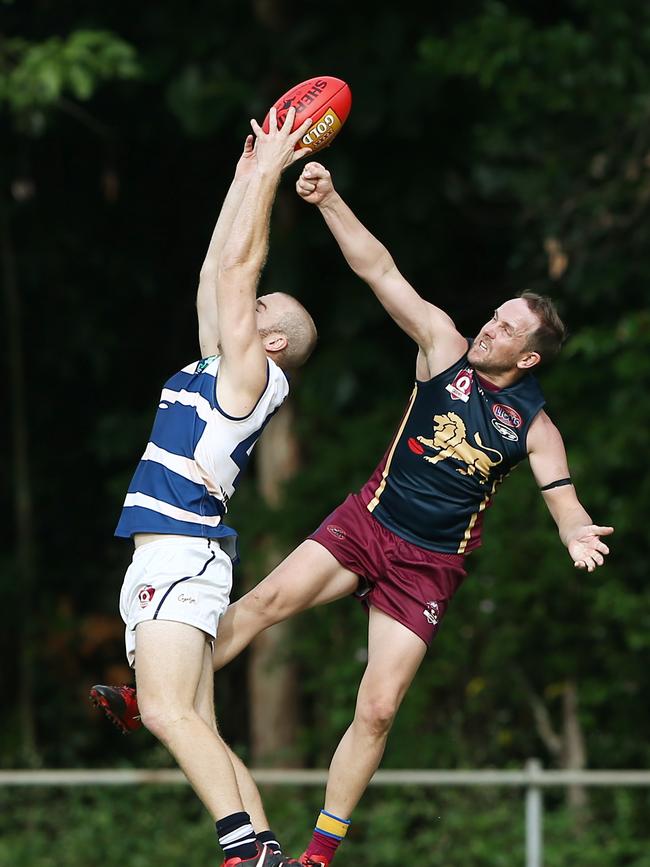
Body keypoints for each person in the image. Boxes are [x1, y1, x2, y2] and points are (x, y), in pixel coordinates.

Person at [92, 161, 613, 866]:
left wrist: (575, 527)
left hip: (429, 564)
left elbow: (562, 494)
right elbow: (381, 270)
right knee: (259, 603)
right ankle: (154, 695)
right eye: (494, 315)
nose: (490, 327)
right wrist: (331, 200)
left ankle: (317, 851)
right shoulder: (444, 348)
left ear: (528, 355)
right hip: (368, 520)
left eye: (506, 327)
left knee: (376, 709)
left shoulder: (535, 425)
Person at [94, 109, 318, 867]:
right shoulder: (214, 370)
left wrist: (273, 176)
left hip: (181, 555)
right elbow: (211, 271)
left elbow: (234, 272)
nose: (238, 311)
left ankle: (241, 850)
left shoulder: (249, 375)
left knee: (161, 710)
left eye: (255, 313)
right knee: (197, 722)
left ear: (274, 340)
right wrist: (243, 177)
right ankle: (269, 855)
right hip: (177, 557)